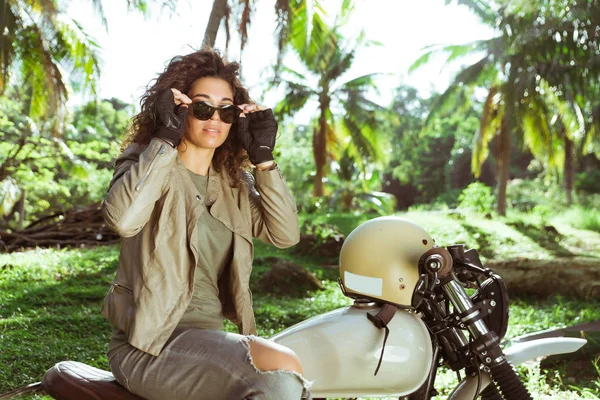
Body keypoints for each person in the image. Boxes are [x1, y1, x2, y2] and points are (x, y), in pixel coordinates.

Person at [100, 49, 311, 400]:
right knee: (282, 364)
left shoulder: (234, 184)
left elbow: (285, 234)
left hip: (208, 339)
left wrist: (263, 160)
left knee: (283, 382)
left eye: (226, 110)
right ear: (179, 109)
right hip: (148, 345)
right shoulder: (144, 162)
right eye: (202, 107)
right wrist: (165, 139)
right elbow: (123, 220)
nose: (214, 118)